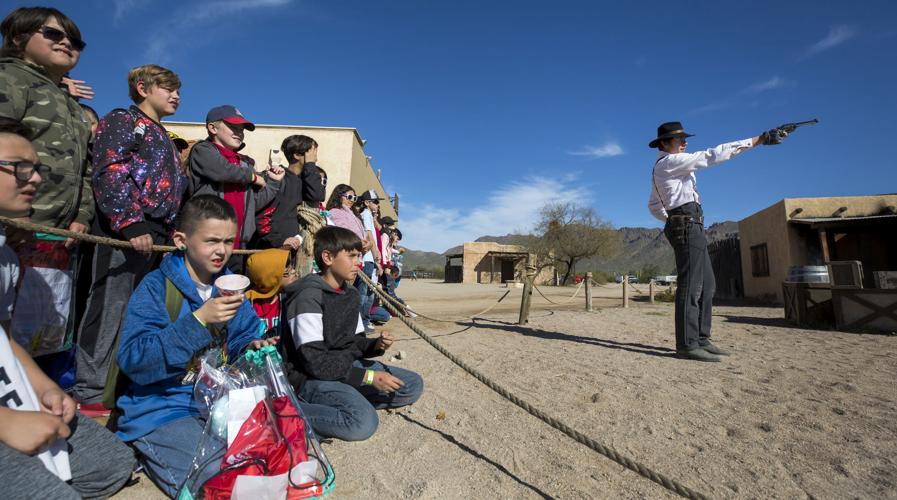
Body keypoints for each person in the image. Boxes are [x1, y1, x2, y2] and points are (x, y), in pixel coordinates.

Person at [0, 117, 135, 500]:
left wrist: (43, 388)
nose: (37, 179)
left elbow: (4, 340)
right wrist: (6, 422)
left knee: (112, 465)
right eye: (19, 168)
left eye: (38, 168)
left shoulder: (7, 255)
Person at [114, 195, 273, 497]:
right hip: (163, 407)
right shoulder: (156, 287)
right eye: (212, 240)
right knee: (220, 482)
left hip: (218, 404)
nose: (222, 250)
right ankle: (147, 449)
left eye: (228, 241)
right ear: (180, 240)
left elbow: (241, 339)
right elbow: (136, 360)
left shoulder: (230, 286)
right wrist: (199, 321)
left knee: (270, 456)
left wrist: (253, 345)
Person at [73, 64, 189, 415]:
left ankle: (121, 385)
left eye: (178, 90)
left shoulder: (163, 136)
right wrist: (129, 222)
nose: (176, 95)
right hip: (125, 232)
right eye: (167, 88)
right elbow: (110, 170)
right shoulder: (123, 121)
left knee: (139, 313)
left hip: (156, 236)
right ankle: (89, 390)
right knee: (109, 307)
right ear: (142, 87)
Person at [647, 121, 787, 362]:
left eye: (683, 139)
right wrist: (759, 139)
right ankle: (687, 344)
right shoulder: (669, 163)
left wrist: (670, 219)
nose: (684, 143)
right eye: (679, 139)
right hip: (687, 224)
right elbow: (712, 155)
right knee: (691, 285)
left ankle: (701, 338)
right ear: (664, 143)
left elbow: (653, 204)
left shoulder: (669, 167)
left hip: (690, 223)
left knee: (707, 285)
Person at [281, 226, 423, 441]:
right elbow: (314, 362)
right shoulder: (307, 297)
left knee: (412, 385)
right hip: (310, 378)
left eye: (360, 256)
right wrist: (369, 377)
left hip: (344, 368)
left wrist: (375, 345)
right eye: (352, 256)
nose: (358, 262)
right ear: (327, 257)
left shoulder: (350, 294)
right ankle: (285, 414)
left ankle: (344, 406)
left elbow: (354, 343)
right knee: (363, 423)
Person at [187, 105, 284, 260]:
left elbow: (254, 204)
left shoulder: (244, 164)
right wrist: (253, 177)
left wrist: (273, 182)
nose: (239, 133)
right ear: (213, 128)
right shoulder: (203, 150)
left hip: (237, 245)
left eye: (242, 130)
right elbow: (222, 170)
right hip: (207, 241)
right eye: (233, 127)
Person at [252, 135, 310, 251]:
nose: (315, 159)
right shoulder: (277, 178)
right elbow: (262, 214)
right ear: (297, 155)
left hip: (292, 249)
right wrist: (279, 240)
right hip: (272, 249)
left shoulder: (302, 182)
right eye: (312, 154)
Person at [245, 248, 297, 338]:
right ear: (271, 277)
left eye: (291, 266)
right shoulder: (248, 304)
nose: (293, 271)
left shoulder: (289, 299)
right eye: (286, 271)